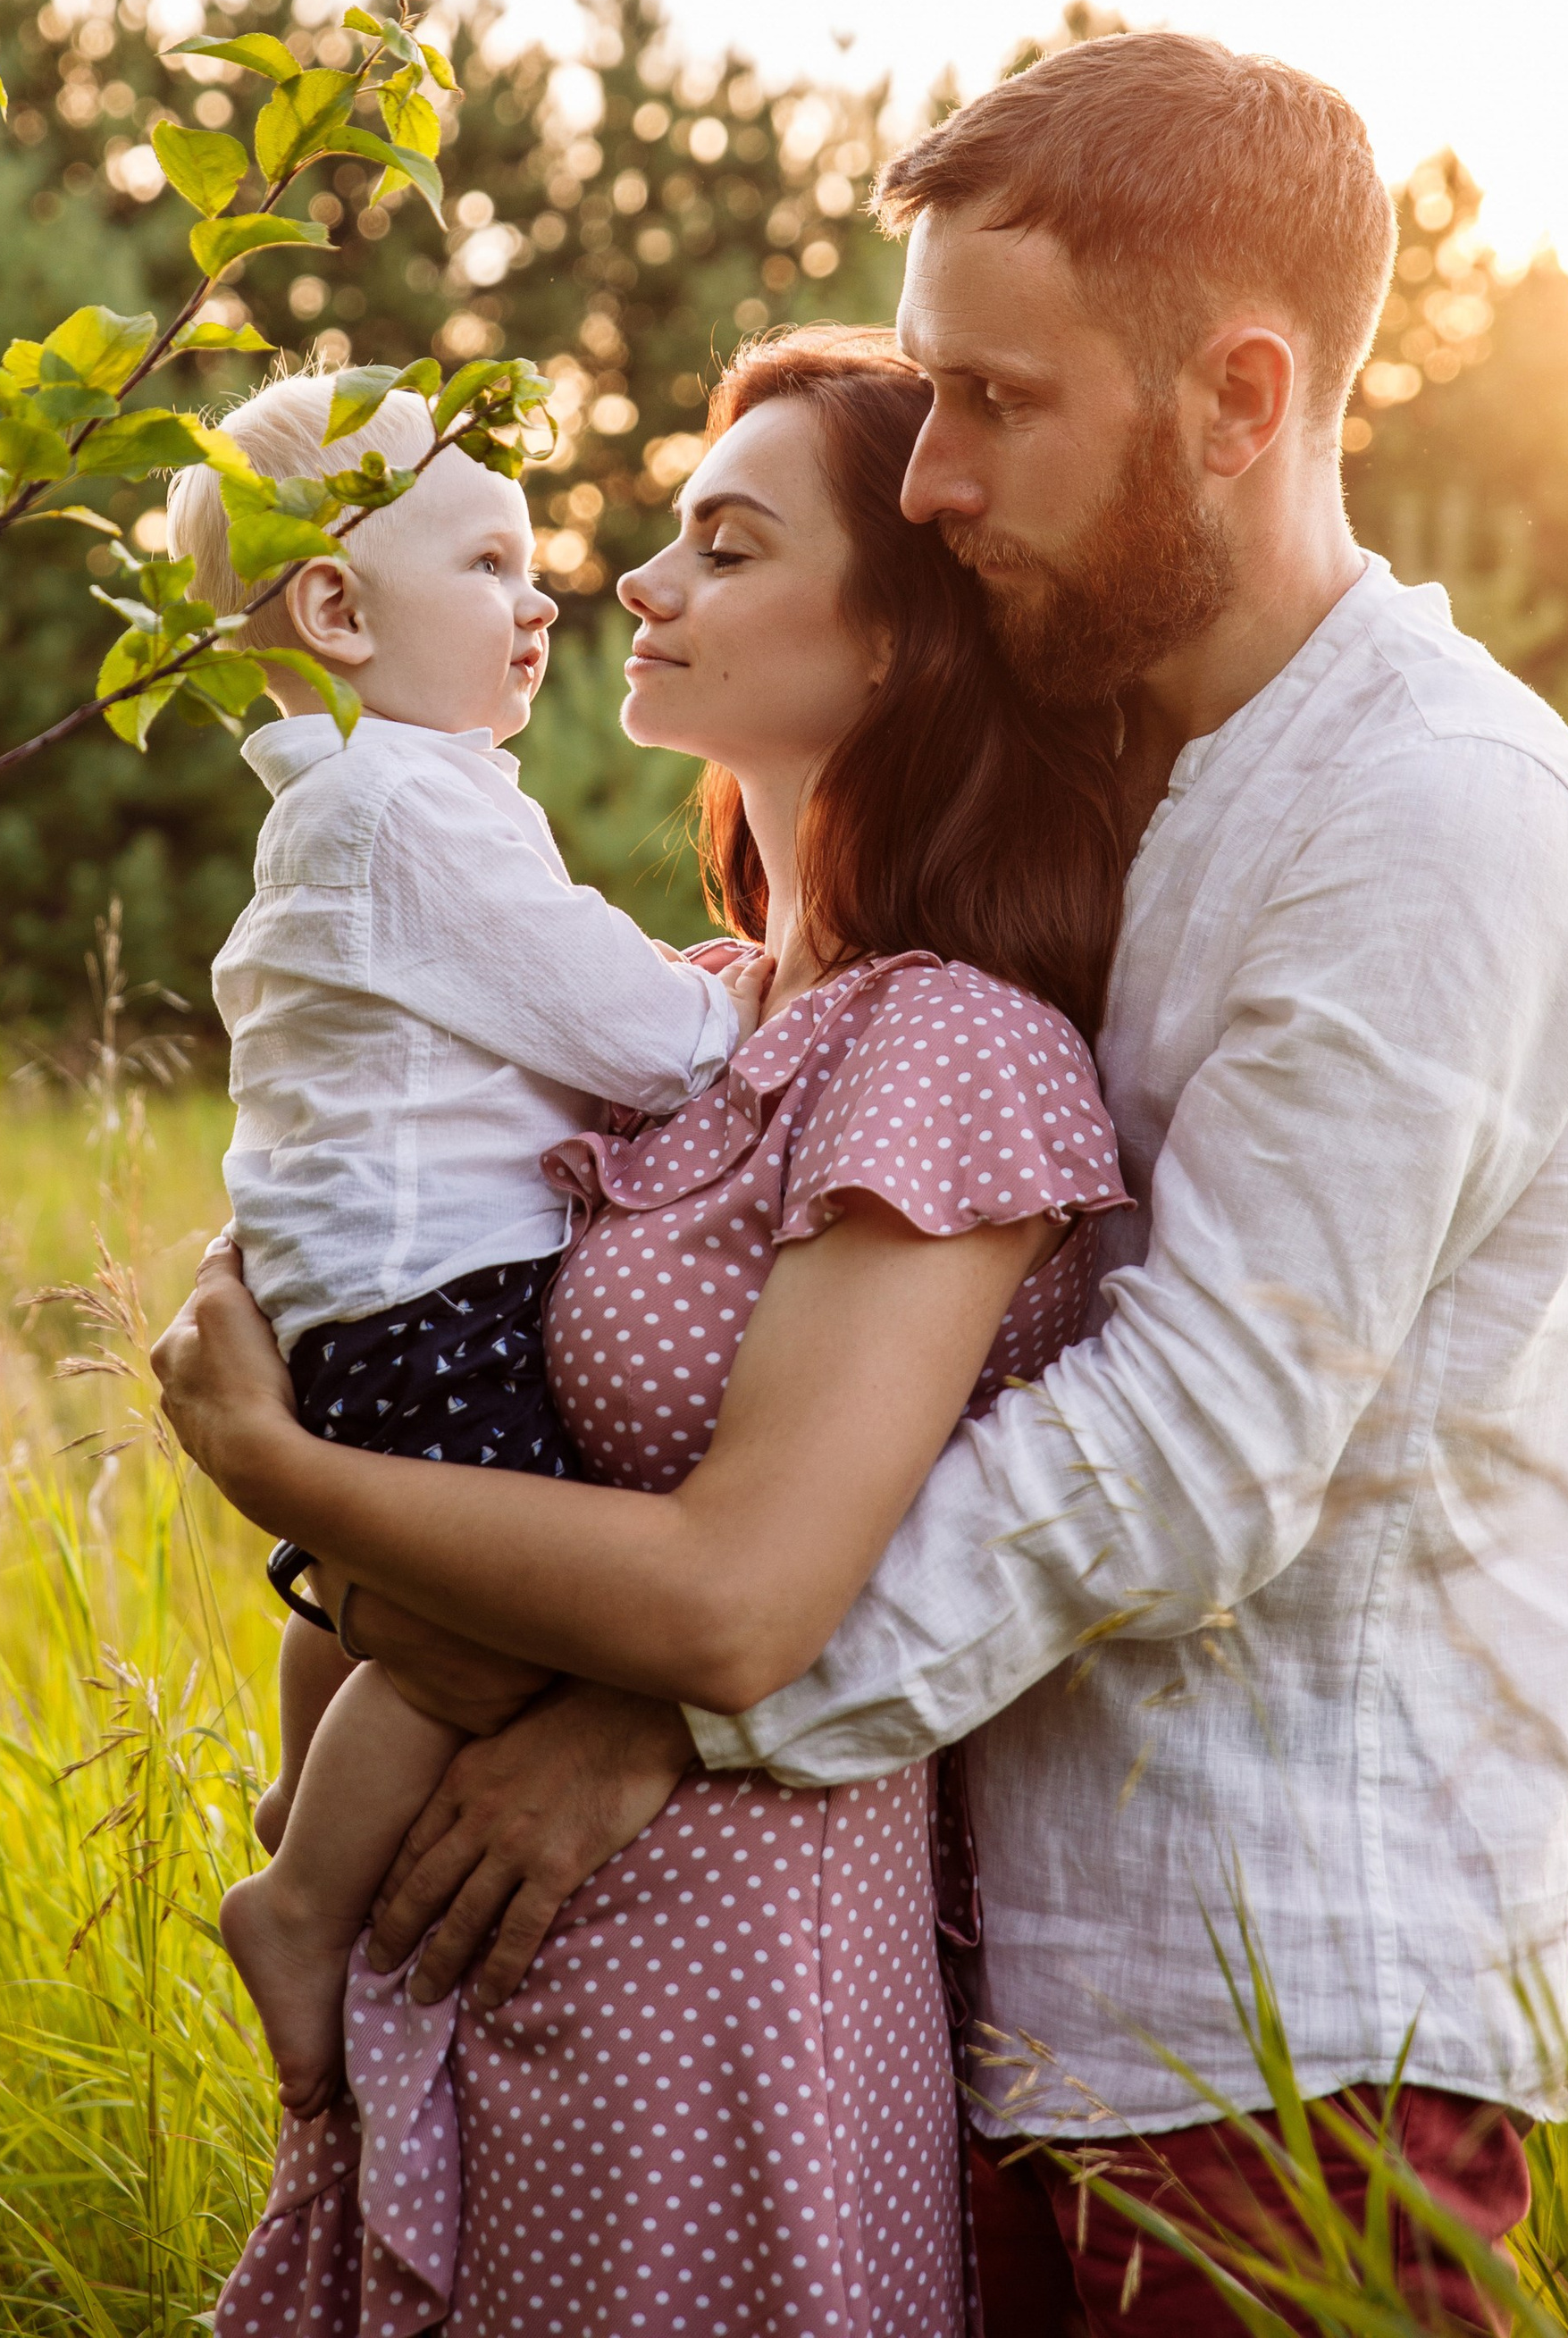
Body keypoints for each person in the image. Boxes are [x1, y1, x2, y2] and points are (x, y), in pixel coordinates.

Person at [164, 35, 1568, 2338]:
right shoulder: (1106, 808)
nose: (935, 473)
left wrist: (660, 1692)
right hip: (954, 1990)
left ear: (1237, 399)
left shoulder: (1426, 809)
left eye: (991, 400)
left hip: (1268, 2031)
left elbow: (1192, 1445)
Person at [172, 324, 1131, 2337]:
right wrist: (315, 1495)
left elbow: (736, 1597)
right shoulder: (683, 1012)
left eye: (723, 542)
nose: (622, 580)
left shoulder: (934, 1038)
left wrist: (278, 1470)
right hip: (452, 1973)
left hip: (700, 1999)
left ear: (890, 644)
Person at [168, 371, 767, 2114]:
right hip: (435, 1288)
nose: (542, 601)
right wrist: (739, 1007)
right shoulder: (411, 810)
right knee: (493, 1625)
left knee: (397, 1591)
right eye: (494, 565)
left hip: (350, 1285)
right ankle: (300, 1899)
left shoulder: (338, 807)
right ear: (338, 610)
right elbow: (638, 1035)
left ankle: (304, 1789)